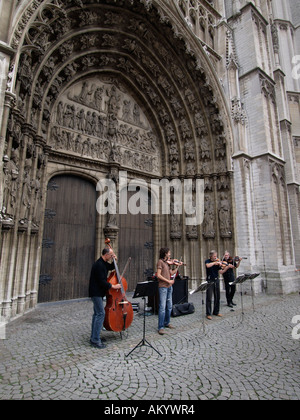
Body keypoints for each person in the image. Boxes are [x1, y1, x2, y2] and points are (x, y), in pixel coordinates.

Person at [89, 248, 121, 348]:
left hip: (98, 292)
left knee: (97, 314)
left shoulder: (103, 263)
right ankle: (95, 340)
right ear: (106, 254)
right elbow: (102, 281)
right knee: (100, 314)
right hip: (96, 292)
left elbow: (111, 267)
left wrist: (115, 260)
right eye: (110, 255)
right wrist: (113, 286)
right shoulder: (98, 265)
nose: (111, 257)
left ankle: (94, 336)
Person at [156, 247, 183, 335]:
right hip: (163, 286)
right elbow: (158, 275)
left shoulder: (168, 263)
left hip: (169, 287)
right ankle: (160, 327)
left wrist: (177, 267)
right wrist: (168, 281)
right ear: (165, 253)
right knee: (162, 307)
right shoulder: (160, 262)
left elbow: (171, 273)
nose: (170, 254)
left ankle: (167, 322)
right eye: (169, 253)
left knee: (169, 306)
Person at [205, 250, 223, 320]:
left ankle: (216, 311)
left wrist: (223, 266)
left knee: (217, 296)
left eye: (216, 256)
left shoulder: (217, 263)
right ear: (211, 256)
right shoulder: (207, 261)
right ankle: (208, 313)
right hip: (210, 280)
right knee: (209, 297)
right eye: (215, 256)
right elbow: (207, 265)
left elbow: (221, 271)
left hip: (216, 279)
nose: (216, 257)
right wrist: (215, 262)